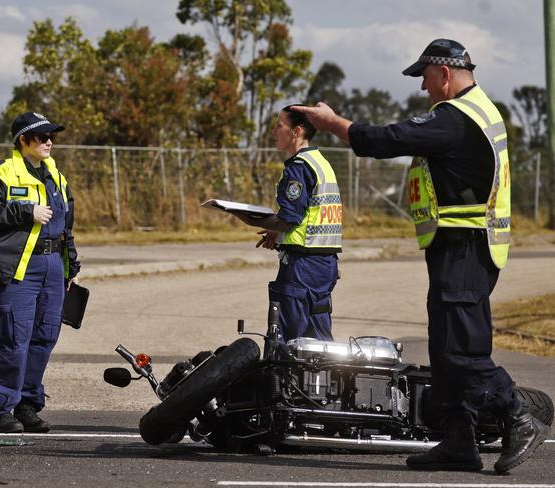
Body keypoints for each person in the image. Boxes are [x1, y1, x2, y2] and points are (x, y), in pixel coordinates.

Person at [293, 39, 549, 474]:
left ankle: (517, 417)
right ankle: (458, 440)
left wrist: (334, 123)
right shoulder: (478, 112)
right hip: (461, 246)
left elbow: (388, 138)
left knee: (462, 351)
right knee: (446, 349)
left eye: (426, 79)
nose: (424, 90)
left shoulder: (455, 119)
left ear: (444, 74)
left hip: (465, 247)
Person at [0, 112, 80, 433]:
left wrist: (71, 265)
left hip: (52, 267)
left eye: (52, 136)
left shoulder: (57, 177)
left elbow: (67, 225)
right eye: (42, 136)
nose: (49, 141)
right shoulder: (2, 173)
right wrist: (26, 211)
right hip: (17, 268)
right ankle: (1, 406)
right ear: (23, 140)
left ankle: (27, 404)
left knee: (45, 337)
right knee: (13, 339)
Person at [232, 105, 342, 342]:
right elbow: (308, 216)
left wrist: (250, 218)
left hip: (302, 267)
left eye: (279, 125)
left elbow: (291, 217)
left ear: (297, 131)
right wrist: (276, 232)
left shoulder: (298, 168)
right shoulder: (321, 163)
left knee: (285, 343)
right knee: (319, 343)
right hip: (325, 266)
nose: (274, 131)